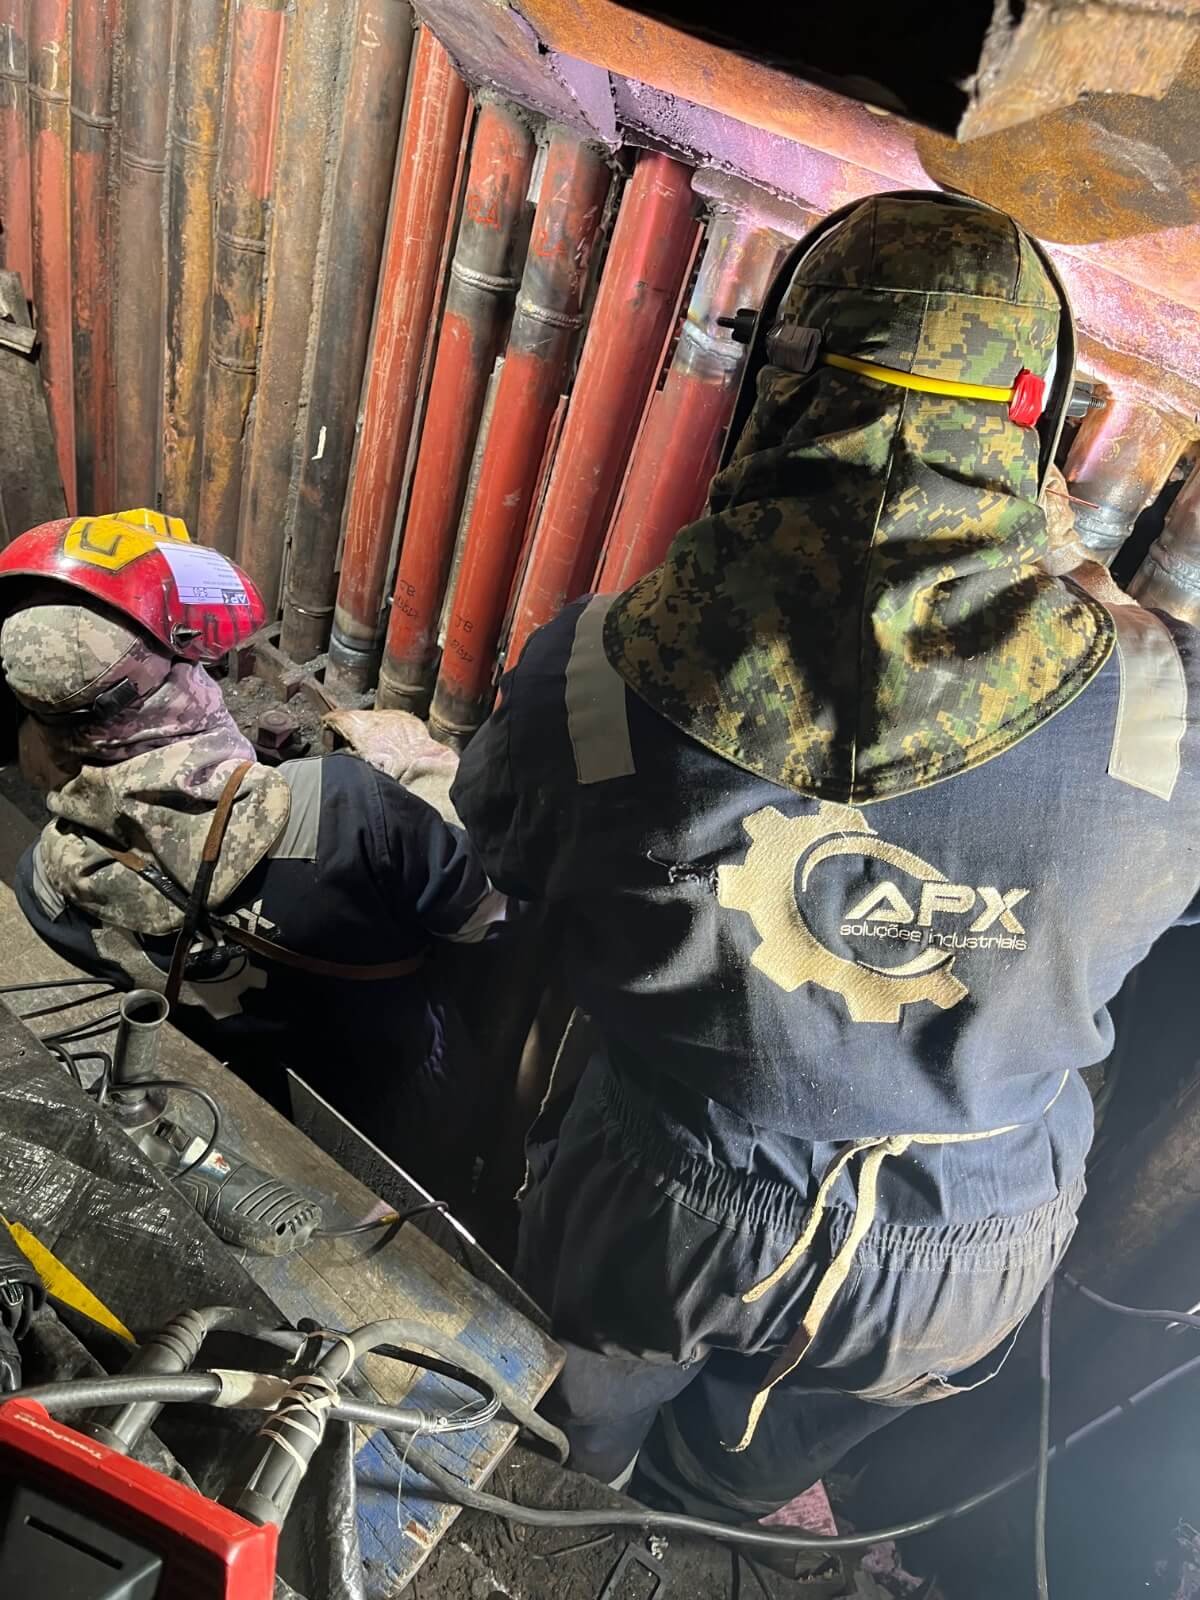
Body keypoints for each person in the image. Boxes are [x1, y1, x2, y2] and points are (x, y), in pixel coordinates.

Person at [450, 193, 1200, 1522]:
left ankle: (578, 1497)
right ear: (1034, 426)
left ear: (779, 394)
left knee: (584, 1409)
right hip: (968, 1239)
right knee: (765, 1452)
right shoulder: (1163, 706)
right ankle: (699, 1510)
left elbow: (508, 851)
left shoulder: (600, 670)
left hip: (662, 1207)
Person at [0, 509, 507, 1193]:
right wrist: (426, 780)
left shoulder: (44, 886)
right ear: (175, 681)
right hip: (404, 1096)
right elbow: (487, 918)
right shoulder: (347, 808)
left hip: (243, 1100)